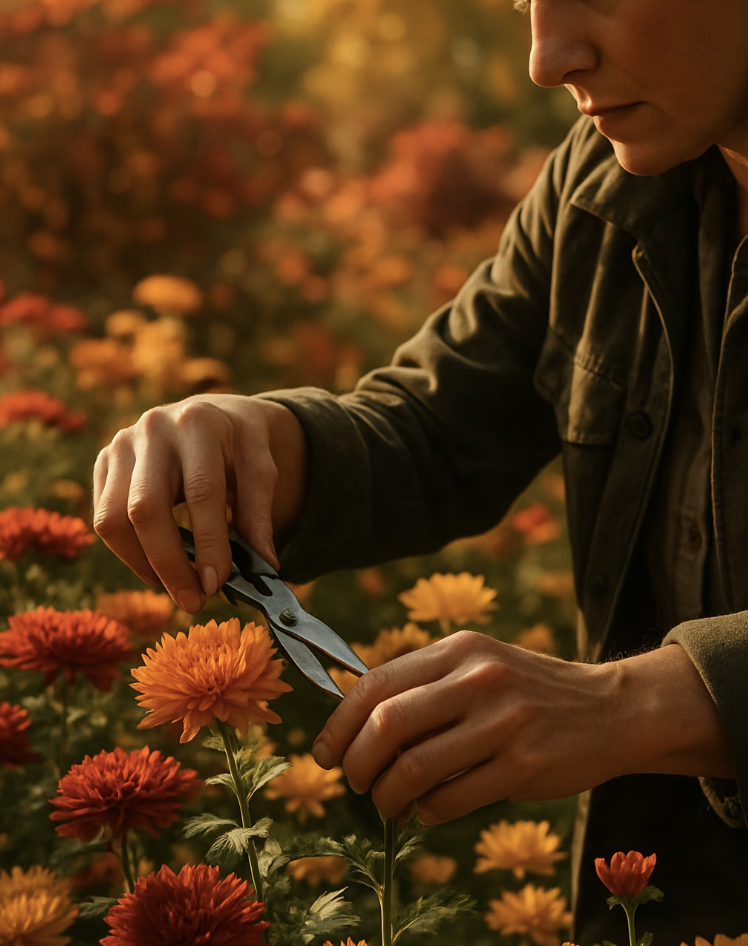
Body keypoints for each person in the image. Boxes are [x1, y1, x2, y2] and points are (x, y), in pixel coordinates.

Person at [92, 0, 748, 938]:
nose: (546, 58)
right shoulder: (603, 179)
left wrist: (641, 703)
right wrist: (255, 439)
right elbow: (437, 428)